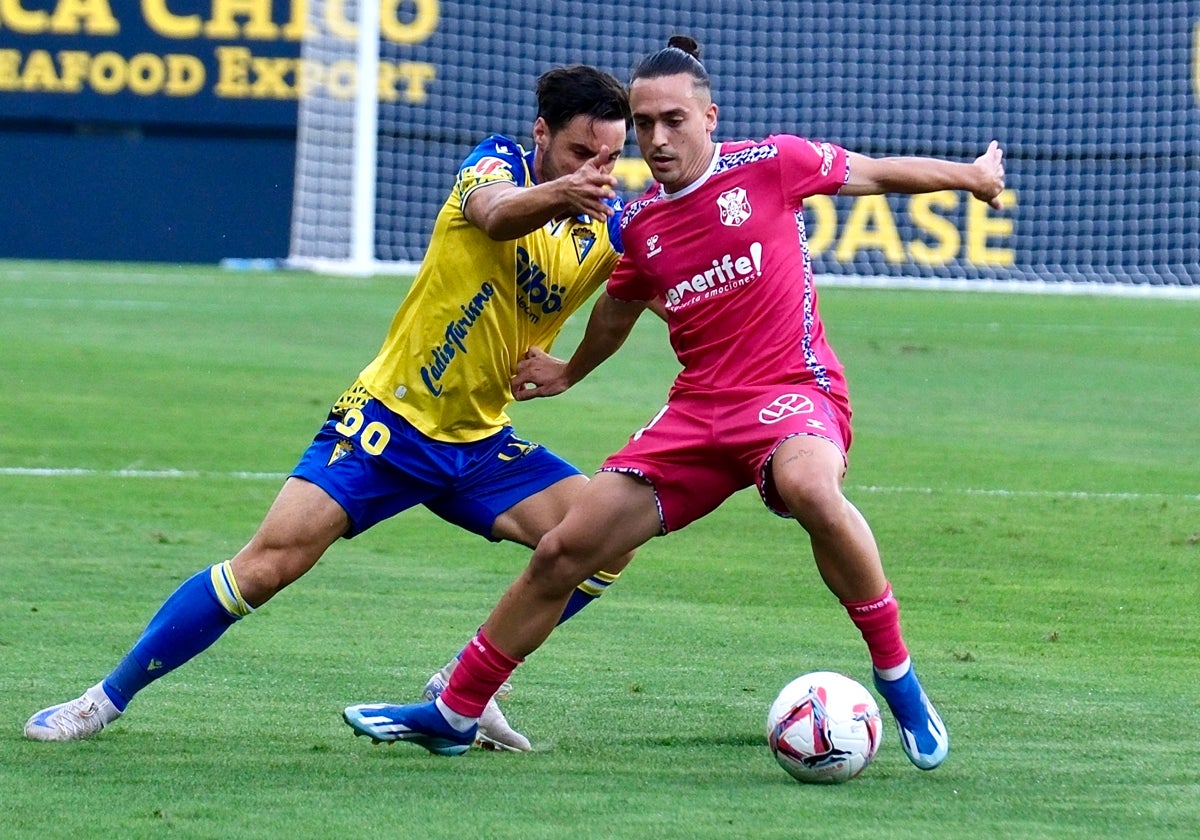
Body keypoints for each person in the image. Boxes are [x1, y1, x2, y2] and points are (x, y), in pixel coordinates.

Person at [341, 35, 1005, 769]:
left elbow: (876, 173)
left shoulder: (772, 165)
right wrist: (568, 373)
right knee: (567, 549)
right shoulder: (636, 224)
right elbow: (619, 312)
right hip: (697, 414)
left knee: (810, 486)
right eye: (644, 121)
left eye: (673, 120)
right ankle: (456, 710)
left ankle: (899, 682)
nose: (657, 138)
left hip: (792, 391)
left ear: (709, 116)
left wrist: (971, 176)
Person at [24, 64, 637, 752]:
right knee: (265, 567)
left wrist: (571, 370)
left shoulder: (610, 226)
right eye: (581, 154)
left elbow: (631, 298)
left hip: (480, 444)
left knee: (605, 541)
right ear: (541, 135)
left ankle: (465, 687)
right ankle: (100, 701)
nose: (597, 170)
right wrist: (563, 192)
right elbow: (494, 216)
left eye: (611, 158)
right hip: (387, 425)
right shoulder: (494, 165)